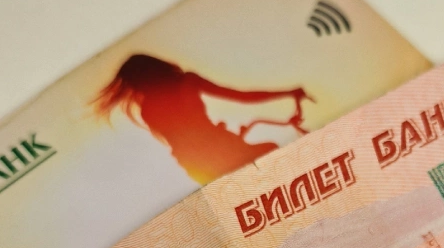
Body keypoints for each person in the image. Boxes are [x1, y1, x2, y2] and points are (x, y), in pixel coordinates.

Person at [95, 54, 312, 184]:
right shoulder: (187, 83)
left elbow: (182, 138)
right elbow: (241, 96)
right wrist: (289, 92)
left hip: (195, 164)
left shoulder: (148, 110)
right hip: (220, 148)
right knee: (272, 156)